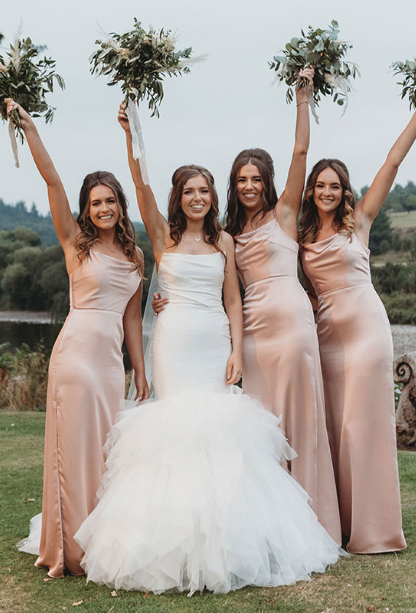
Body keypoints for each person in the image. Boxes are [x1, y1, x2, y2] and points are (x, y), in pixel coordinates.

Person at [72, 104, 343, 595]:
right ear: (179, 198)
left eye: (204, 191)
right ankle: (169, 547)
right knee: (175, 432)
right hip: (174, 341)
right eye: (189, 192)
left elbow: (234, 299)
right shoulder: (161, 236)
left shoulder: (226, 240)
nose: (197, 198)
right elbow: (141, 185)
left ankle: (226, 543)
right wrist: (133, 135)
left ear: (212, 198)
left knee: (220, 433)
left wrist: (238, 349)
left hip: (214, 338)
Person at [151, 68, 341, 542]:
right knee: (255, 428)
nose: (249, 186)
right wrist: (165, 299)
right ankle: (265, 524)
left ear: (268, 182)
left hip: (291, 325)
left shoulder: (284, 216)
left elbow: (301, 152)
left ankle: (313, 522)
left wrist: (303, 96)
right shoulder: (227, 237)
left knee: (298, 418)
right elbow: (214, 287)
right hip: (248, 336)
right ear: (232, 187)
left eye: (256, 178)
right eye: (241, 179)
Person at [298, 87, 416, 554]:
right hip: (325, 336)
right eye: (320, 186)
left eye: (334, 186)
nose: (327, 192)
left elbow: (392, 163)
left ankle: (374, 530)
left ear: (345, 191)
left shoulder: (358, 221)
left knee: (365, 426)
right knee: (335, 426)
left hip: (365, 331)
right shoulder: (299, 236)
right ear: (311, 191)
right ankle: (339, 524)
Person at [8, 98, 148, 578]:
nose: (104, 208)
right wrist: (30, 130)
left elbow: (133, 322)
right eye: (96, 202)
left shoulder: (135, 256)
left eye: (110, 201)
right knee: (72, 451)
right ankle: (69, 550)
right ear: (86, 210)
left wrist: (141, 374)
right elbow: (52, 181)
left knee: (106, 453)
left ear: (120, 206)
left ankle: (103, 543)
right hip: (74, 356)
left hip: (110, 364)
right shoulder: (74, 243)